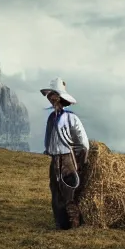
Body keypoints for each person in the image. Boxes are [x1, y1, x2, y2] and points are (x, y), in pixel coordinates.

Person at [41, 77, 90, 230]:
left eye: (53, 95)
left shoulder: (71, 118)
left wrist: (80, 161)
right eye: (50, 96)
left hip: (67, 159)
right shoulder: (51, 118)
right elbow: (49, 139)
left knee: (69, 192)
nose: (51, 99)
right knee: (55, 191)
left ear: (59, 98)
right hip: (55, 159)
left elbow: (83, 143)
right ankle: (60, 223)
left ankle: (73, 225)